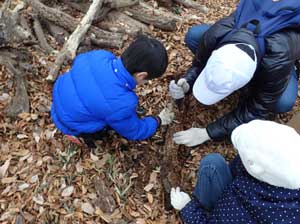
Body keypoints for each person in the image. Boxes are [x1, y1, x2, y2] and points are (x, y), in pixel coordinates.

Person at [170, 0, 300, 147]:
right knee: (194, 35)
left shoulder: (277, 61)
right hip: (250, 38)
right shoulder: (217, 34)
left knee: (283, 102)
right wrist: (187, 82)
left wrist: (207, 133)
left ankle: (291, 71)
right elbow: (200, 63)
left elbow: (256, 110)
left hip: (280, 60)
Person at [51, 35, 174, 148]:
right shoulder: (123, 102)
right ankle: (80, 137)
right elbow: (135, 131)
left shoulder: (101, 56)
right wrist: (158, 120)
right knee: (104, 128)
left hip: (59, 100)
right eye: (147, 80)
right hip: (71, 124)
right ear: (141, 75)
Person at [170, 120, 300, 223]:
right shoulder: (282, 166)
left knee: (211, 166)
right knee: (212, 163)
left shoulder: (239, 214)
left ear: (255, 167)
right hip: (240, 192)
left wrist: (187, 208)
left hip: (229, 212)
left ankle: (204, 208)